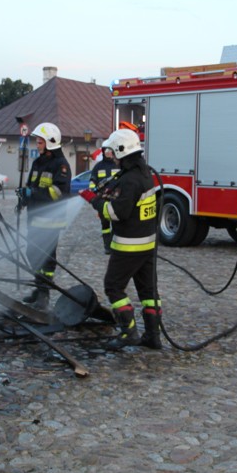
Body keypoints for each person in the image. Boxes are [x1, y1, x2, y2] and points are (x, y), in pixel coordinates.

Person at [79, 129, 162, 350]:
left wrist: (95, 201)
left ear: (122, 151)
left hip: (129, 244)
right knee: (148, 292)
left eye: (114, 152)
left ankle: (129, 332)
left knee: (113, 287)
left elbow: (117, 213)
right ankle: (153, 336)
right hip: (148, 243)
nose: (112, 156)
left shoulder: (130, 180)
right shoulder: (144, 175)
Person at [15, 122, 71, 311]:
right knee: (32, 253)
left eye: (40, 142)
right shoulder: (38, 162)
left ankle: (44, 294)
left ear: (50, 143)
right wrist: (23, 198)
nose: (37, 145)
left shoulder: (61, 165)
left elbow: (57, 192)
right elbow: (32, 185)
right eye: (37, 141)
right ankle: (39, 288)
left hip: (50, 221)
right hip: (35, 218)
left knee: (47, 258)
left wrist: (34, 194)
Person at [88, 146, 120, 254]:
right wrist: (93, 189)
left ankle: (115, 244)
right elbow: (92, 179)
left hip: (115, 198)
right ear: (103, 152)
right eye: (106, 151)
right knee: (105, 224)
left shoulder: (118, 164)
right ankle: (107, 246)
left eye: (110, 151)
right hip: (102, 199)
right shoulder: (98, 166)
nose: (109, 153)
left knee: (116, 223)